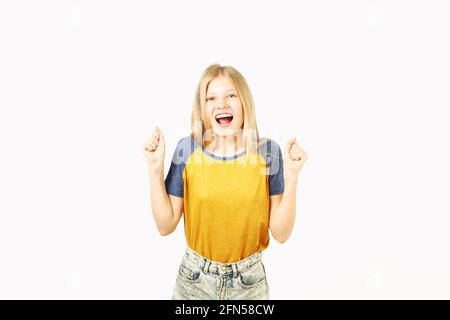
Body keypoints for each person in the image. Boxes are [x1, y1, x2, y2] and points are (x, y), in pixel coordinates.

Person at [141, 63, 308, 299]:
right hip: (195, 282)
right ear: (203, 107)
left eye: (231, 95)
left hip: (249, 284)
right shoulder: (186, 150)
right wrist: (154, 170)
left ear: (244, 103)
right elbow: (165, 225)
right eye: (211, 98)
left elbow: (281, 233)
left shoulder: (267, 152)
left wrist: (292, 176)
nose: (221, 104)